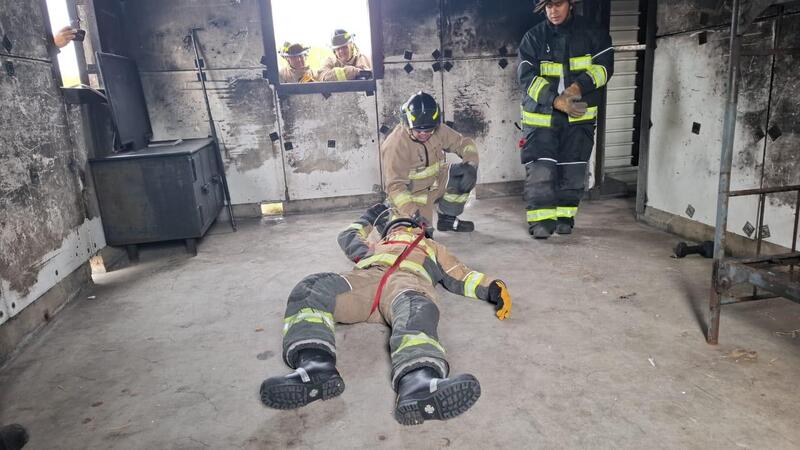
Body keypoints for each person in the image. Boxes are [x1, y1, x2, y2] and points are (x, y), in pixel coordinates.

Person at [259, 204, 512, 425]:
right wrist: (369, 217)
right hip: (366, 280)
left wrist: (493, 288)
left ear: (419, 228)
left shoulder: (432, 247)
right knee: (312, 286)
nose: (400, 228)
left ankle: (418, 381)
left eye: (406, 224)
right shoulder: (376, 245)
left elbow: (461, 274)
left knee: (418, 310)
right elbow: (347, 236)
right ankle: (315, 366)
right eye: (395, 225)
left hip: (406, 284)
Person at [517, 0, 613, 238]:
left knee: (573, 168)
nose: (553, 11)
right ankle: (541, 221)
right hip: (542, 115)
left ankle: (564, 217)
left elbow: (603, 68)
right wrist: (555, 100)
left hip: (578, 113)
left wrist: (576, 88)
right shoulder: (533, 37)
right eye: (548, 6)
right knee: (541, 169)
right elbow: (526, 77)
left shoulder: (593, 33)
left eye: (558, 3)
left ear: (571, 3)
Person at [382, 92, 480, 233]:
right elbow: (395, 187)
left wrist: (471, 164)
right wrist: (412, 213)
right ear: (407, 124)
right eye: (418, 130)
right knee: (423, 238)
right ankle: (390, 218)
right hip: (413, 196)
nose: (424, 134)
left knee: (463, 173)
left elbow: (463, 143)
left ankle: (447, 220)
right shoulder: (395, 145)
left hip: (435, 182)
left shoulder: (437, 129)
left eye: (428, 130)